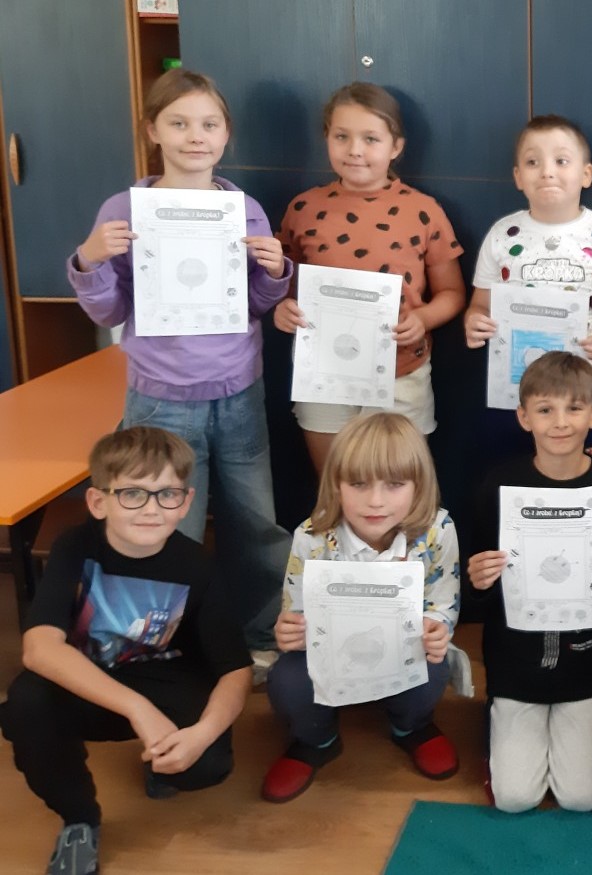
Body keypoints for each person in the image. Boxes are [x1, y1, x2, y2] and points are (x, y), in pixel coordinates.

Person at [68, 68, 293, 657]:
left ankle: (262, 635)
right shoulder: (124, 209)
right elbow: (110, 309)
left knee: (256, 522)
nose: (196, 136)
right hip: (160, 397)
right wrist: (89, 259)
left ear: (226, 134)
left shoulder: (244, 209)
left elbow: (252, 306)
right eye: (179, 123)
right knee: (166, 524)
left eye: (210, 124)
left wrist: (275, 273)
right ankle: (165, 644)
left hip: (239, 390)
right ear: (153, 131)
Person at [1, 427, 252, 875]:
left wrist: (201, 734)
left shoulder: (199, 566)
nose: (152, 509)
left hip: (168, 681)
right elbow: (39, 649)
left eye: (167, 494)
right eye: (133, 494)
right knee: (26, 704)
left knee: (205, 768)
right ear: (99, 502)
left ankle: (161, 762)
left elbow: (236, 670)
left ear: (187, 502)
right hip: (92, 683)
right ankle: (79, 819)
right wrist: (138, 710)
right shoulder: (74, 547)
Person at [465, 352, 592, 812]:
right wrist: (478, 579)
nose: (561, 422)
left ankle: (588, 736)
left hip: (588, 662)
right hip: (515, 661)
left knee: (579, 798)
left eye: (574, 408)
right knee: (513, 798)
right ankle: (504, 731)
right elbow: (474, 576)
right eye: (545, 409)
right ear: (524, 417)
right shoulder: (499, 486)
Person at [260, 412, 471, 802]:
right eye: (358, 484)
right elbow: (296, 610)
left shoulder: (438, 530)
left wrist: (435, 627)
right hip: (333, 656)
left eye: (395, 484)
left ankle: (411, 725)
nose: (375, 501)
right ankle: (316, 740)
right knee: (287, 679)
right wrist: (289, 630)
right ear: (336, 485)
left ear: (418, 486)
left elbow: (444, 600)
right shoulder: (312, 536)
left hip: (401, 652)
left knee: (434, 665)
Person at [274, 82, 467, 473]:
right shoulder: (303, 208)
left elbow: (452, 292)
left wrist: (423, 319)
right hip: (323, 372)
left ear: (396, 147)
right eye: (341, 137)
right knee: (335, 483)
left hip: (399, 372)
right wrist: (283, 308)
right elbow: (285, 286)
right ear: (326, 138)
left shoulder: (424, 210)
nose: (355, 150)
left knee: (399, 484)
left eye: (371, 139)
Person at [465, 114, 592, 461]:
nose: (547, 172)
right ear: (518, 176)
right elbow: (478, 306)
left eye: (561, 161)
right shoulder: (502, 235)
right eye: (533, 162)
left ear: (586, 174)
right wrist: (473, 322)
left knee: (589, 481)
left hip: (587, 396)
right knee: (514, 480)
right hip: (515, 395)